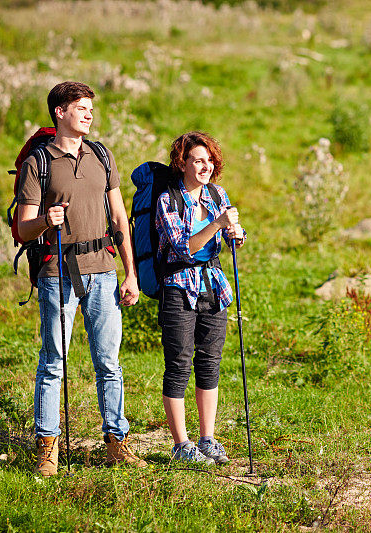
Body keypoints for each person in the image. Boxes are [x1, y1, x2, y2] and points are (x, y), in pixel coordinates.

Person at [16, 81, 146, 476]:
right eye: (81, 107)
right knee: (53, 362)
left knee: (109, 361)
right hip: (58, 274)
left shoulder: (101, 155)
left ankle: (116, 443)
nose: (89, 114)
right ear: (60, 112)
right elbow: (23, 230)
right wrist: (45, 219)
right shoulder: (38, 162)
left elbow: (120, 219)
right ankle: (47, 448)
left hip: (104, 272)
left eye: (90, 108)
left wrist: (131, 274)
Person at [155, 131, 246, 464]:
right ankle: (182, 445)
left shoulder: (217, 194)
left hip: (214, 287)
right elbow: (184, 247)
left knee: (210, 363)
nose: (206, 166)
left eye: (209, 160)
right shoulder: (169, 200)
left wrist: (236, 234)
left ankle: (207, 439)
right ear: (183, 163)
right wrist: (218, 224)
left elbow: (235, 236)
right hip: (179, 287)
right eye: (198, 160)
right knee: (178, 365)